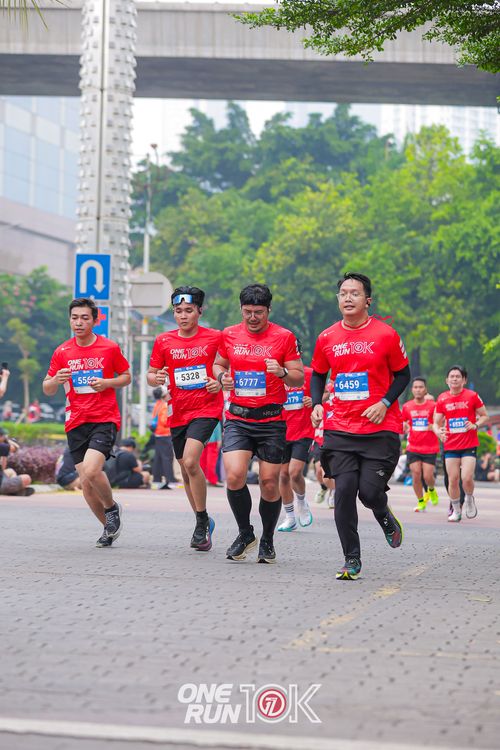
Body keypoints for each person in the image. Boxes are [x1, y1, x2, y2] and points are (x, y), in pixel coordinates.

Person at [311, 272, 410, 581]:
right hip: (340, 426)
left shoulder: (386, 334)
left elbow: (404, 375)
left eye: (354, 293)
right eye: (343, 293)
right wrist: (316, 404)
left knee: (369, 493)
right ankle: (351, 558)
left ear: (368, 300)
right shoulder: (327, 337)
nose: (348, 298)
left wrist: (384, 403)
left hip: (379, 428)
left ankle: (383, 513)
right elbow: (318, 374)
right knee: (343, 492)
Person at [213, 283, 304, 564]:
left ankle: (267, 539)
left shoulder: (284, 337)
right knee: (234, 475)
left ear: (269, 310)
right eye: (247, 312)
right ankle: (245, 533)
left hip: (271, 420)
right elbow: (218, 364)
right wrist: (222, 377)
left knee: (269, 482)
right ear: (241, 309)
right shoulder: (229, 334)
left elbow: (299, 377)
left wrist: (282, 372)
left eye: (259, 313)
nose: (253, 318)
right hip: (238, 418)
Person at [43, 297, 131, 548]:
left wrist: (107, 383)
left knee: (92, 470)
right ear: (70, 320)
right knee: (86, 484)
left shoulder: (109, 348)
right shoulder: (62, 352)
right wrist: (56, 380)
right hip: (75, 421)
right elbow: (47, 387)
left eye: (84, 318)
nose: (79, 322)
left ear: (94, 321)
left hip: (104, 418)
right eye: (74, 318)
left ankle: (111, 508)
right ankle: (108, 529)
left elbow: (126, 376)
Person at [148, 286, 223, 552]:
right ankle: (202, 520)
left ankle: (201, 521)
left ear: (200, 311)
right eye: (178, 311)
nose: (183, 316)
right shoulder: (164, 341)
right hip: (177, 411)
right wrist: (156, 378)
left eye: (188, 310)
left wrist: (219, 382)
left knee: (191, 461)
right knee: (185, 469)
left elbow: (227, 367)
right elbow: (151, 374)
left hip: (206, 408)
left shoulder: (215, 337)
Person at [433, 365, 488, 522]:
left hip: (469, 444)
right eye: (452, 376)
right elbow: (436, 422)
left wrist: (475, 425)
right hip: (450, 445)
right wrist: (438, 432)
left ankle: (469, 499)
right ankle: (456, 510)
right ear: (447, 380)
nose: (454, 379)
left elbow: (484, 416)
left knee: (467, 478)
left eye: (458, 376)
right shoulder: (442, 398)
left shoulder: (472, 396)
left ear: (464, 380)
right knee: (453, 479)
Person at [277, 363, 314, 531]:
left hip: (303, 431)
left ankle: (301, 502)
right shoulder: (275, 374)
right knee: (283, 475)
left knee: (294, 472)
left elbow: (326, 393)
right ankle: (290, 517)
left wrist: (314, 400)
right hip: (281, 431)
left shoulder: (308, 373)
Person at [401, 377, 440, 512]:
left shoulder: (433, 406)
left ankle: (431, 489)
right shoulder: (407, 406)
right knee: (416, 474)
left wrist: (433, 426)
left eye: (421, 387)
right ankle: (421, 501)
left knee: (428, 476)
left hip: (430, 447)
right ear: (412, 390)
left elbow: (440, 422)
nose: (418, 390)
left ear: (425, 390)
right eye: (415, 387)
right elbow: (403, 422)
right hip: (413, 446)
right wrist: (405, 425)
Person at [151, 386, 176, 489]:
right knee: (167, 457)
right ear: (164, 395)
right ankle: (170, 480)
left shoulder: (157, 404)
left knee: (158, 458)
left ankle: (156, 480)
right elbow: (164, 421)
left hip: (158, 434)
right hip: (165, 434)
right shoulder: (165, 406)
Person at [0, 427, 33, 496]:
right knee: (27, 478)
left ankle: (14, 490)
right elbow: (16, 447)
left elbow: (2, 469)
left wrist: (4, 455)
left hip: (2, 478)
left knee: (10, 471)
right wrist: (8, 441)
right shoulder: (1, 446)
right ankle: (15, 491)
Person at [200, 420, 223, 487]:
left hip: (212, 443)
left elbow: (217, 428)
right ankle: (203, 479)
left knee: (210, 463)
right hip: (203, 442)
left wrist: (219, 439)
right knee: (202, 462)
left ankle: (211, 480)